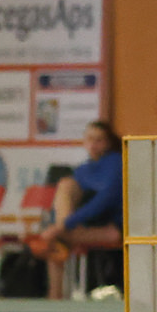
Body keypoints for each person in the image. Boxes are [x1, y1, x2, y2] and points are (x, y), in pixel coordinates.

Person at [16, 121, 123, 294]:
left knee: (54, 237)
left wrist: (63, 225)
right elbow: (71, 198)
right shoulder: (83, 169)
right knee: (66, 185)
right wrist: (63, 225)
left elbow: (104, 200)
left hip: (114, 228)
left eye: (99, 140)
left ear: (109, 142)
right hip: (84, 226)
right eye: (90, 139)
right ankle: (55, 294)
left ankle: (55, 292)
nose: (93, 145)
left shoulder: (116, 163)